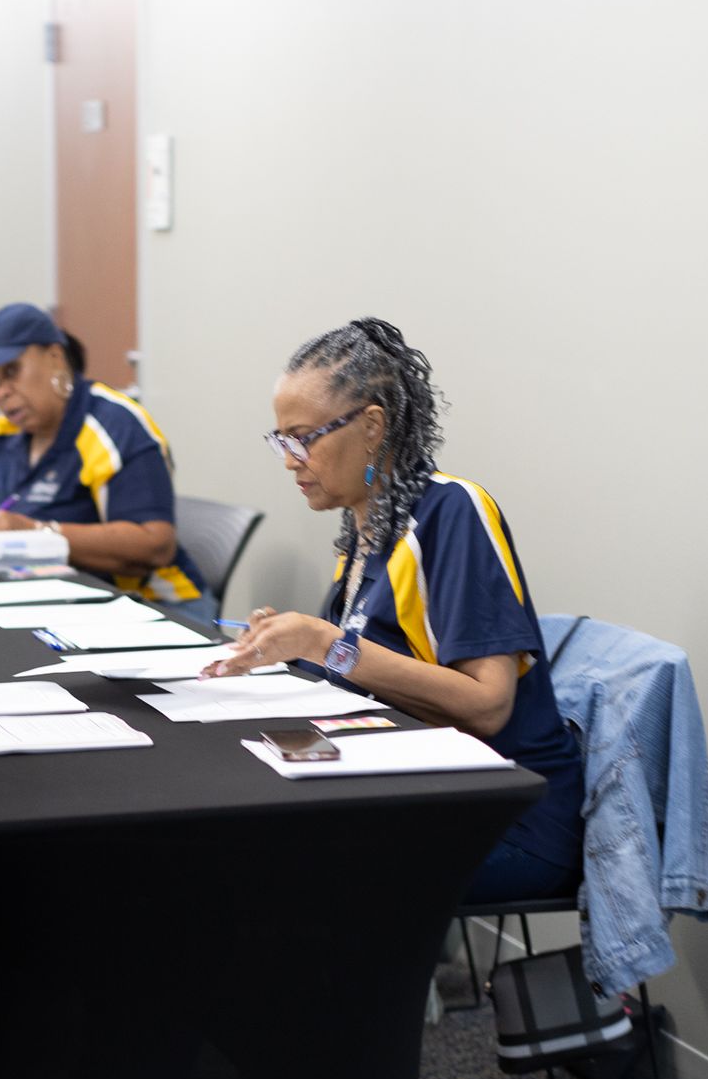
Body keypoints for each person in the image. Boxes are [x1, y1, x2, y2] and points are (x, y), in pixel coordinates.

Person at [209, 317, 585, 904]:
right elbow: (359, 672)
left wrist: (327, 643)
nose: (289, 459)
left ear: (372, 426)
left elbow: (487, 706)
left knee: (283, 875)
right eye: (280, 440)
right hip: (413, 787)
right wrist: (285, 647)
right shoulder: (363, 531)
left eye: (303, 437)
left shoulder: (453, 512)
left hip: (507, 818)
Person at [0, 303, 215, 621]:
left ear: (54, 358)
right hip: (53, 600)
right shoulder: (5, 429)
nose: (2, 393)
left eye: (11, 372)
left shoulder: (113, 425)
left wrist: (35, 533)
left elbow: (154, 544)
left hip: (151, 611)